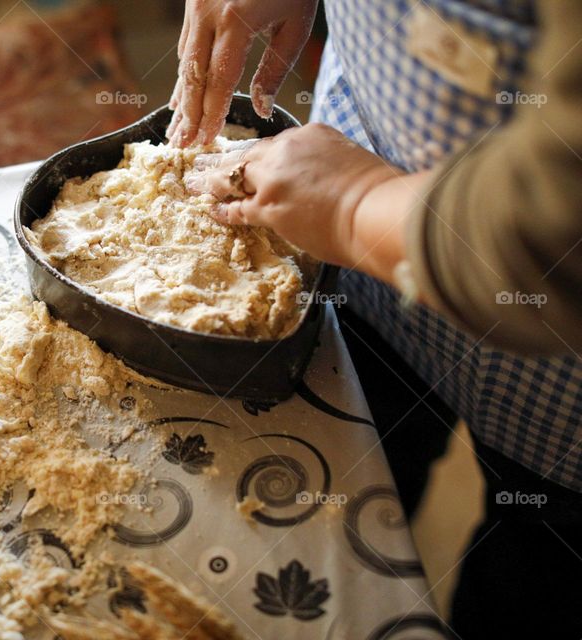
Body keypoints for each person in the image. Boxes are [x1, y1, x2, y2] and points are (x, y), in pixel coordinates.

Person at [171, 1, 582, 638]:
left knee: (527, 585)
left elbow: (560, 220)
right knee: (357, 491)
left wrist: (355, 205)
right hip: (363, 255)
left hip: (561, 383)